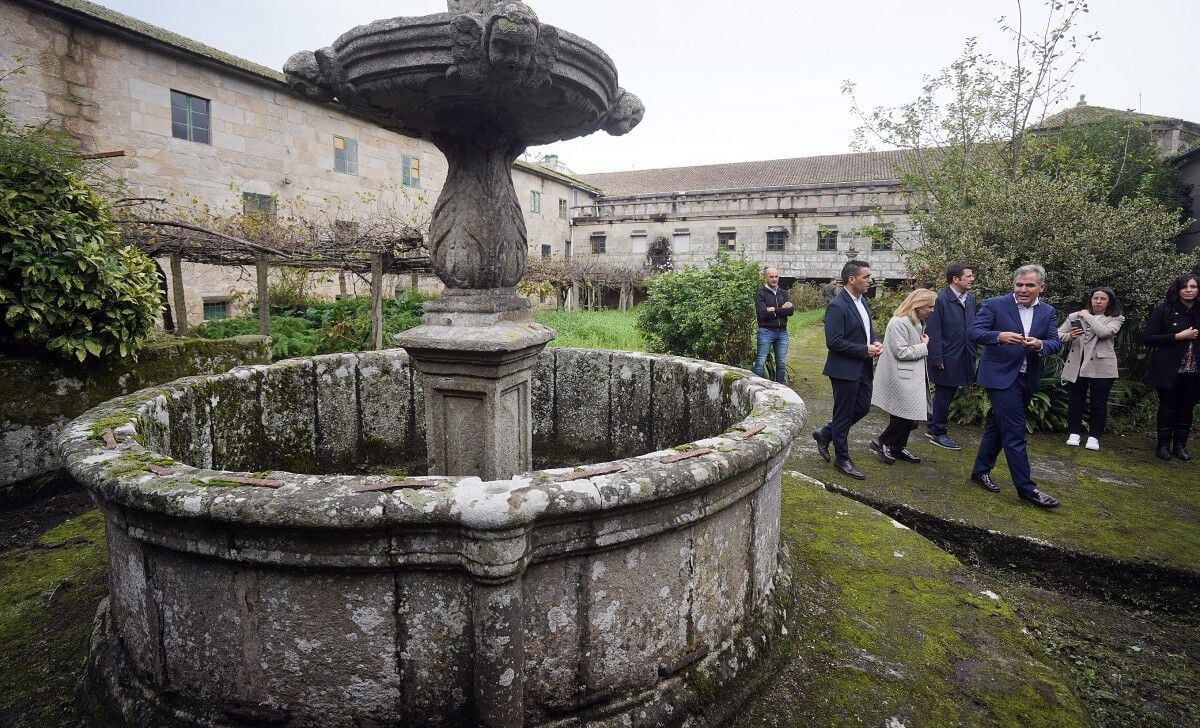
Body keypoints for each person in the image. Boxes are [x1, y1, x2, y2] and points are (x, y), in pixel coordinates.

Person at [968, 265, 1063, 508]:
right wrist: (998, 336)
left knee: (999, 426)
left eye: (1029, 285)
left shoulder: (1048, 311)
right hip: (999, 377)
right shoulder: (995, 304)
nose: (1023, 289)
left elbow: (1055, 343)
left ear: (1041, 287)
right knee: (1015, 432)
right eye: (1019, 284)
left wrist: (1040, 344)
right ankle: (1027, 489)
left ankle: (980, 471)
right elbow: (975, 332)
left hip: (1026, 378)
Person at [812, 260, 882, 479]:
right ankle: (842, 459)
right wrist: (864, 349)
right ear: (852, 279)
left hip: (862, 366)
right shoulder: (837, 305)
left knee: (862, 408)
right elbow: (834, 342)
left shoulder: (863, 302)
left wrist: (876, 342)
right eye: (866, 276)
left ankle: (825, 433)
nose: (870, 280)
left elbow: (867, 330)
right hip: (843, 369)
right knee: (843, 415)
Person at [870, 288, 937, 465]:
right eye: (929, 306)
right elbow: (901, 352)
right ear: (918, 304)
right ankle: (882, 442)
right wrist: (924, 346)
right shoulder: (899, 322)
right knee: (905, 414)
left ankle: (897, 447)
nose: (932, 310)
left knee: (907, 413)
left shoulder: (916, 321)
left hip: (910, 375)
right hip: (901, 375)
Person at [1057, 287, 1125, 451]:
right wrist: (1070, 336)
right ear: (1091, 299)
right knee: (1075, 400)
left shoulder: (1116, 319)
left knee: (1099, 403)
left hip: (1102, 366)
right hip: (1077, 363)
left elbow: (1104, 332)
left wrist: (1087, 316)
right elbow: (1057, 334)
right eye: (1096, 298)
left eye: (1103, 298)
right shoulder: (1074, 316)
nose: (1098, 301)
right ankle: (1074, 433)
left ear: (1109, 302)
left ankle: (1094, 437)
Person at [1141, 273, 1200, 461]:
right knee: (1168, 407)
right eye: (1185, 287)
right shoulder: (1164, 310)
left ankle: (1180, 446)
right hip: (1169, 369)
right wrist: (1177, 337)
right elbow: (1148, 338)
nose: (1189, 290)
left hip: (1195, 370)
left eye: (1193, 286)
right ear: (1178, 289)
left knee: (1187, 408)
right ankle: (1163, 445)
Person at [925, 263, 977, 450]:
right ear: (956, 279)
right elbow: (934, 330)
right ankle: (938, 433)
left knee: (947, 393)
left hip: (963, 355)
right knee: (944, 394)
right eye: (968, 276)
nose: (972, 279)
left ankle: (933, 426)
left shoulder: (970, 299)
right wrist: (937, 358)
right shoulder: (939, 299)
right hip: (947, 356)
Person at [753, 267, 794, 383]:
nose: (774, 279)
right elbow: (763, 314)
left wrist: (773, 310)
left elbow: (791, 311)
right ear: (766, 277)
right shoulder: (760, 294)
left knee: (781, 363)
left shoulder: (783, 293)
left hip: (782, 332)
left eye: (776, 276)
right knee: (760, 361)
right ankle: (756, 388)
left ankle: (780, 389)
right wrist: (781, 310)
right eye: (771, 277)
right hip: (766, 331)